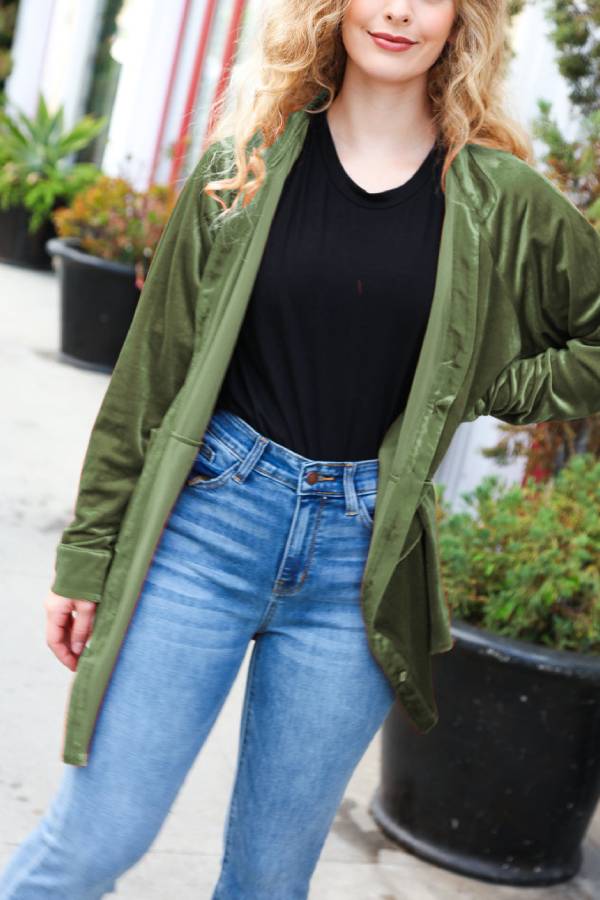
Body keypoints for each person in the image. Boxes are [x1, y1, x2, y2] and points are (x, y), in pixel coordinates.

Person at [3, 1, 600, 898]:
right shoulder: (242, 169)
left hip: (360, 567)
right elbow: (148, 377)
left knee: (268, 885)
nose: (399, 11)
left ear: (461, 21)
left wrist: (483, 383)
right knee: (93, 842)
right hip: (207, 528)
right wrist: (89, 552)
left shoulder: (498, 200)